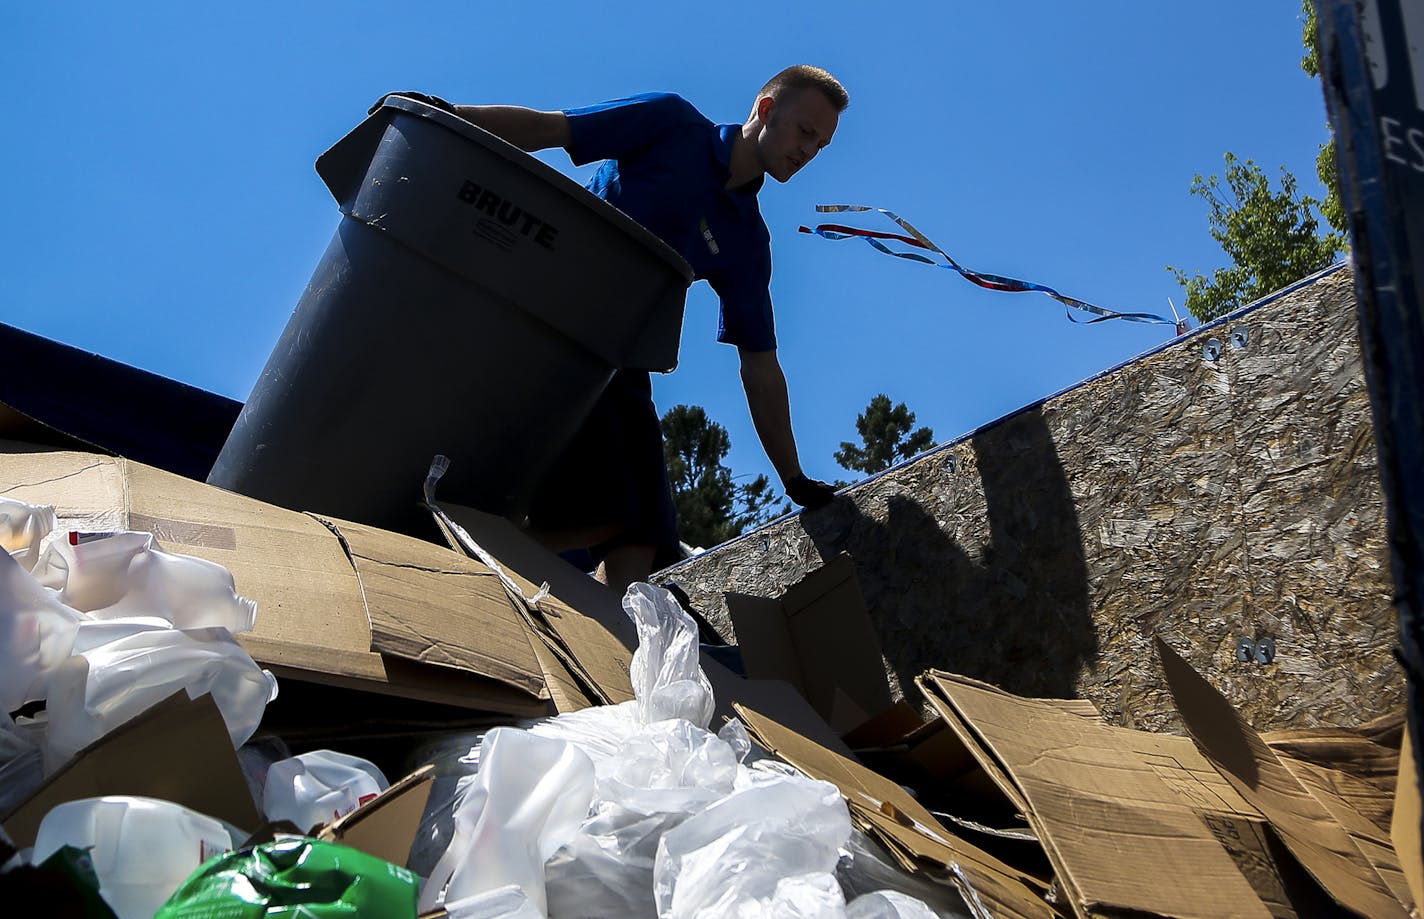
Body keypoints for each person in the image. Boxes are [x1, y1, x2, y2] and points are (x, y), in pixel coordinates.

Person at [376, 66, 846, 592]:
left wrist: (793, 477)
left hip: (615, 359)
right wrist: (446, 116)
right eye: (805, 132)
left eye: (822, 145)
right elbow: (548, 129)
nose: (809, 152)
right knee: (613, 504)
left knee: (644, 527)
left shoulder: (746, 240)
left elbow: (759, 365)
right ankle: (449, 567)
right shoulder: (672, 124)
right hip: (543, 316)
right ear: (765, 109)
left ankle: (612, 655)